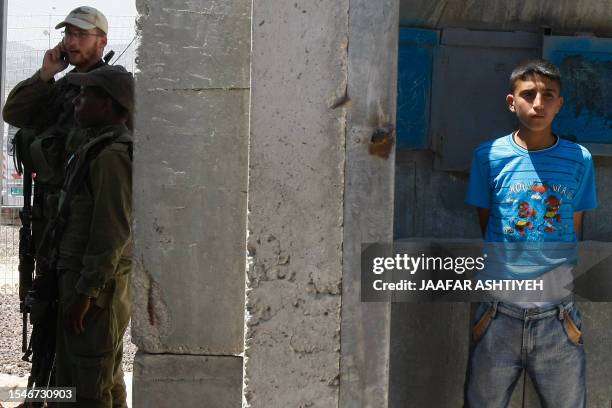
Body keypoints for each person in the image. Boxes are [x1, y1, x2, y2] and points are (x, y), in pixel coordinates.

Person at [463, 59, 597, 407]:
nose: (538, 103)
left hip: (559, 317)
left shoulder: (579, 159)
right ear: (512, 102)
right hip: (497, 315)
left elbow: (576, 226)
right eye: (528, 94)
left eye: (548, 95)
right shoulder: (489, 156)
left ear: (559, 103)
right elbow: (487, 220)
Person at [54, 64, 134, 407]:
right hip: (88, 283)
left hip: (95, 291)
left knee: (91, 387)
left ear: (109, 105)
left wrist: (86, 292)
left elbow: (110, 231)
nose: (77, 102)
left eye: (86, 96)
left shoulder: (112, 156)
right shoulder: (97, 147)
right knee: (100, 377)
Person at [3, 6, 111, 255]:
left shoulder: (111, 88)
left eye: (82, 35)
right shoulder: (63, 86)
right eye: (68, 35)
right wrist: (45, 74)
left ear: (102, 41)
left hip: (82, 220)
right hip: (49, 213)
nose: (72, 42)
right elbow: (13, 114)